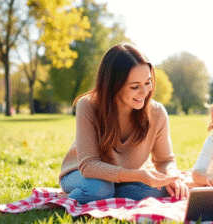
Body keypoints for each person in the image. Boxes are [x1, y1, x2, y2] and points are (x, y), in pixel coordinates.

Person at [59, 43, 188, 205]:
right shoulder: (88, 105)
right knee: (100, 189)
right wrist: (138, 176)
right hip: (79, 173)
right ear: (114, 86)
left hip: (123, 179)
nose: (144, 92)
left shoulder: (157, 112)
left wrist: (171, 176)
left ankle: (110, 194)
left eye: (148, 82)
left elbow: (164, 160)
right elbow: (88, 166)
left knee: (159, 190)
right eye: (135, 86)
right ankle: (73, 199)